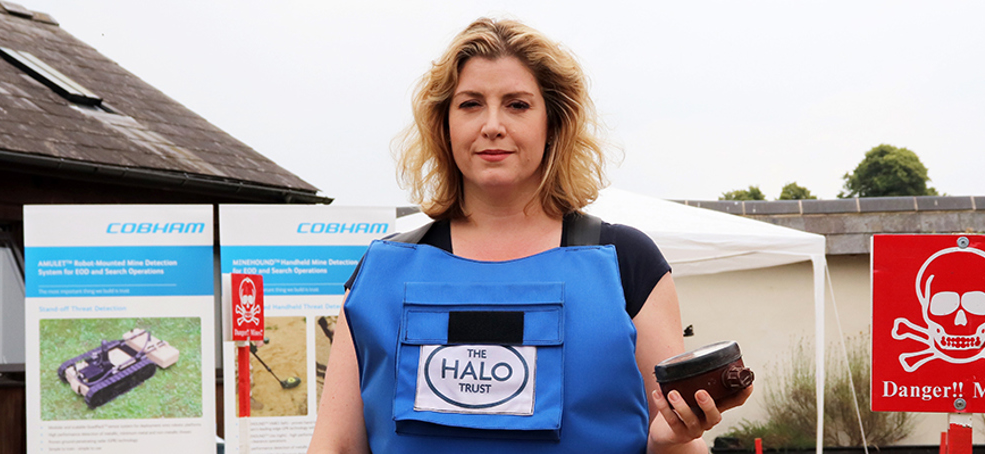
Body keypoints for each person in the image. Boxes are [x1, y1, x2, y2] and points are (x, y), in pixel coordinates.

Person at [309, 18, 751, 454]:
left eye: (517, 104)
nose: (492, 125)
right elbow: (336, 445)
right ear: (443, 124)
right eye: (470, 104)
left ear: (552, 123)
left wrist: (668, 440)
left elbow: (675, 439)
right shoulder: (380, 272)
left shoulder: (628, 263)